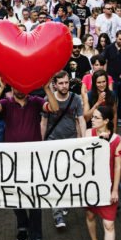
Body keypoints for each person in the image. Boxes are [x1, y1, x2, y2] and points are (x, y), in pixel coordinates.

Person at [0, 75, 59, 240]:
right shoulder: (6, 103)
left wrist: (47, 88)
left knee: (35, 198)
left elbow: (55, 108)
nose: (20, 90)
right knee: (14, 196)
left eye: (23, 86)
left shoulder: (36, 101)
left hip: (33, 159)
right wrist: (0, 87)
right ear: (11, 88)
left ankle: (36, 238)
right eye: (16, 86)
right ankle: (22, 225)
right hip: (12, 160)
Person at [42, 71, 86, 229]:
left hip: (71, 145)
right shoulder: (48, 99)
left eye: (66, 82)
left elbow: (81, 120)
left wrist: (83, 141)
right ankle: (57, 215)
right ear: (55, 84)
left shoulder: (76, 99)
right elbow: (44, 121)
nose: (64, 86)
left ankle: (65, 202)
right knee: (55, 180)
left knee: (68, 179)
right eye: (61, 83)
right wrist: (42, 143)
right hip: (53, 143)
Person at [83, 105, 121, 240]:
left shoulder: (116, 140)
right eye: (94, 117)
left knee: (109, 223)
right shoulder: (88, 134)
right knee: (90, 215)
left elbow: (118, 167)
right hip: (92, 185)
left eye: (97, 117)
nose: (93, 119)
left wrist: (115, 190)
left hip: (107, 187)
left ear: (106, 121)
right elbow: (84, 157)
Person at [103, 31, 121, 125]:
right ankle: (111, 117)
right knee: (112, 98)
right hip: (112, 78)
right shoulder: (109, 48)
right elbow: (105, 62)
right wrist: (106, 75)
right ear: (115, 37)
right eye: (120, 39)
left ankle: (119, 117)